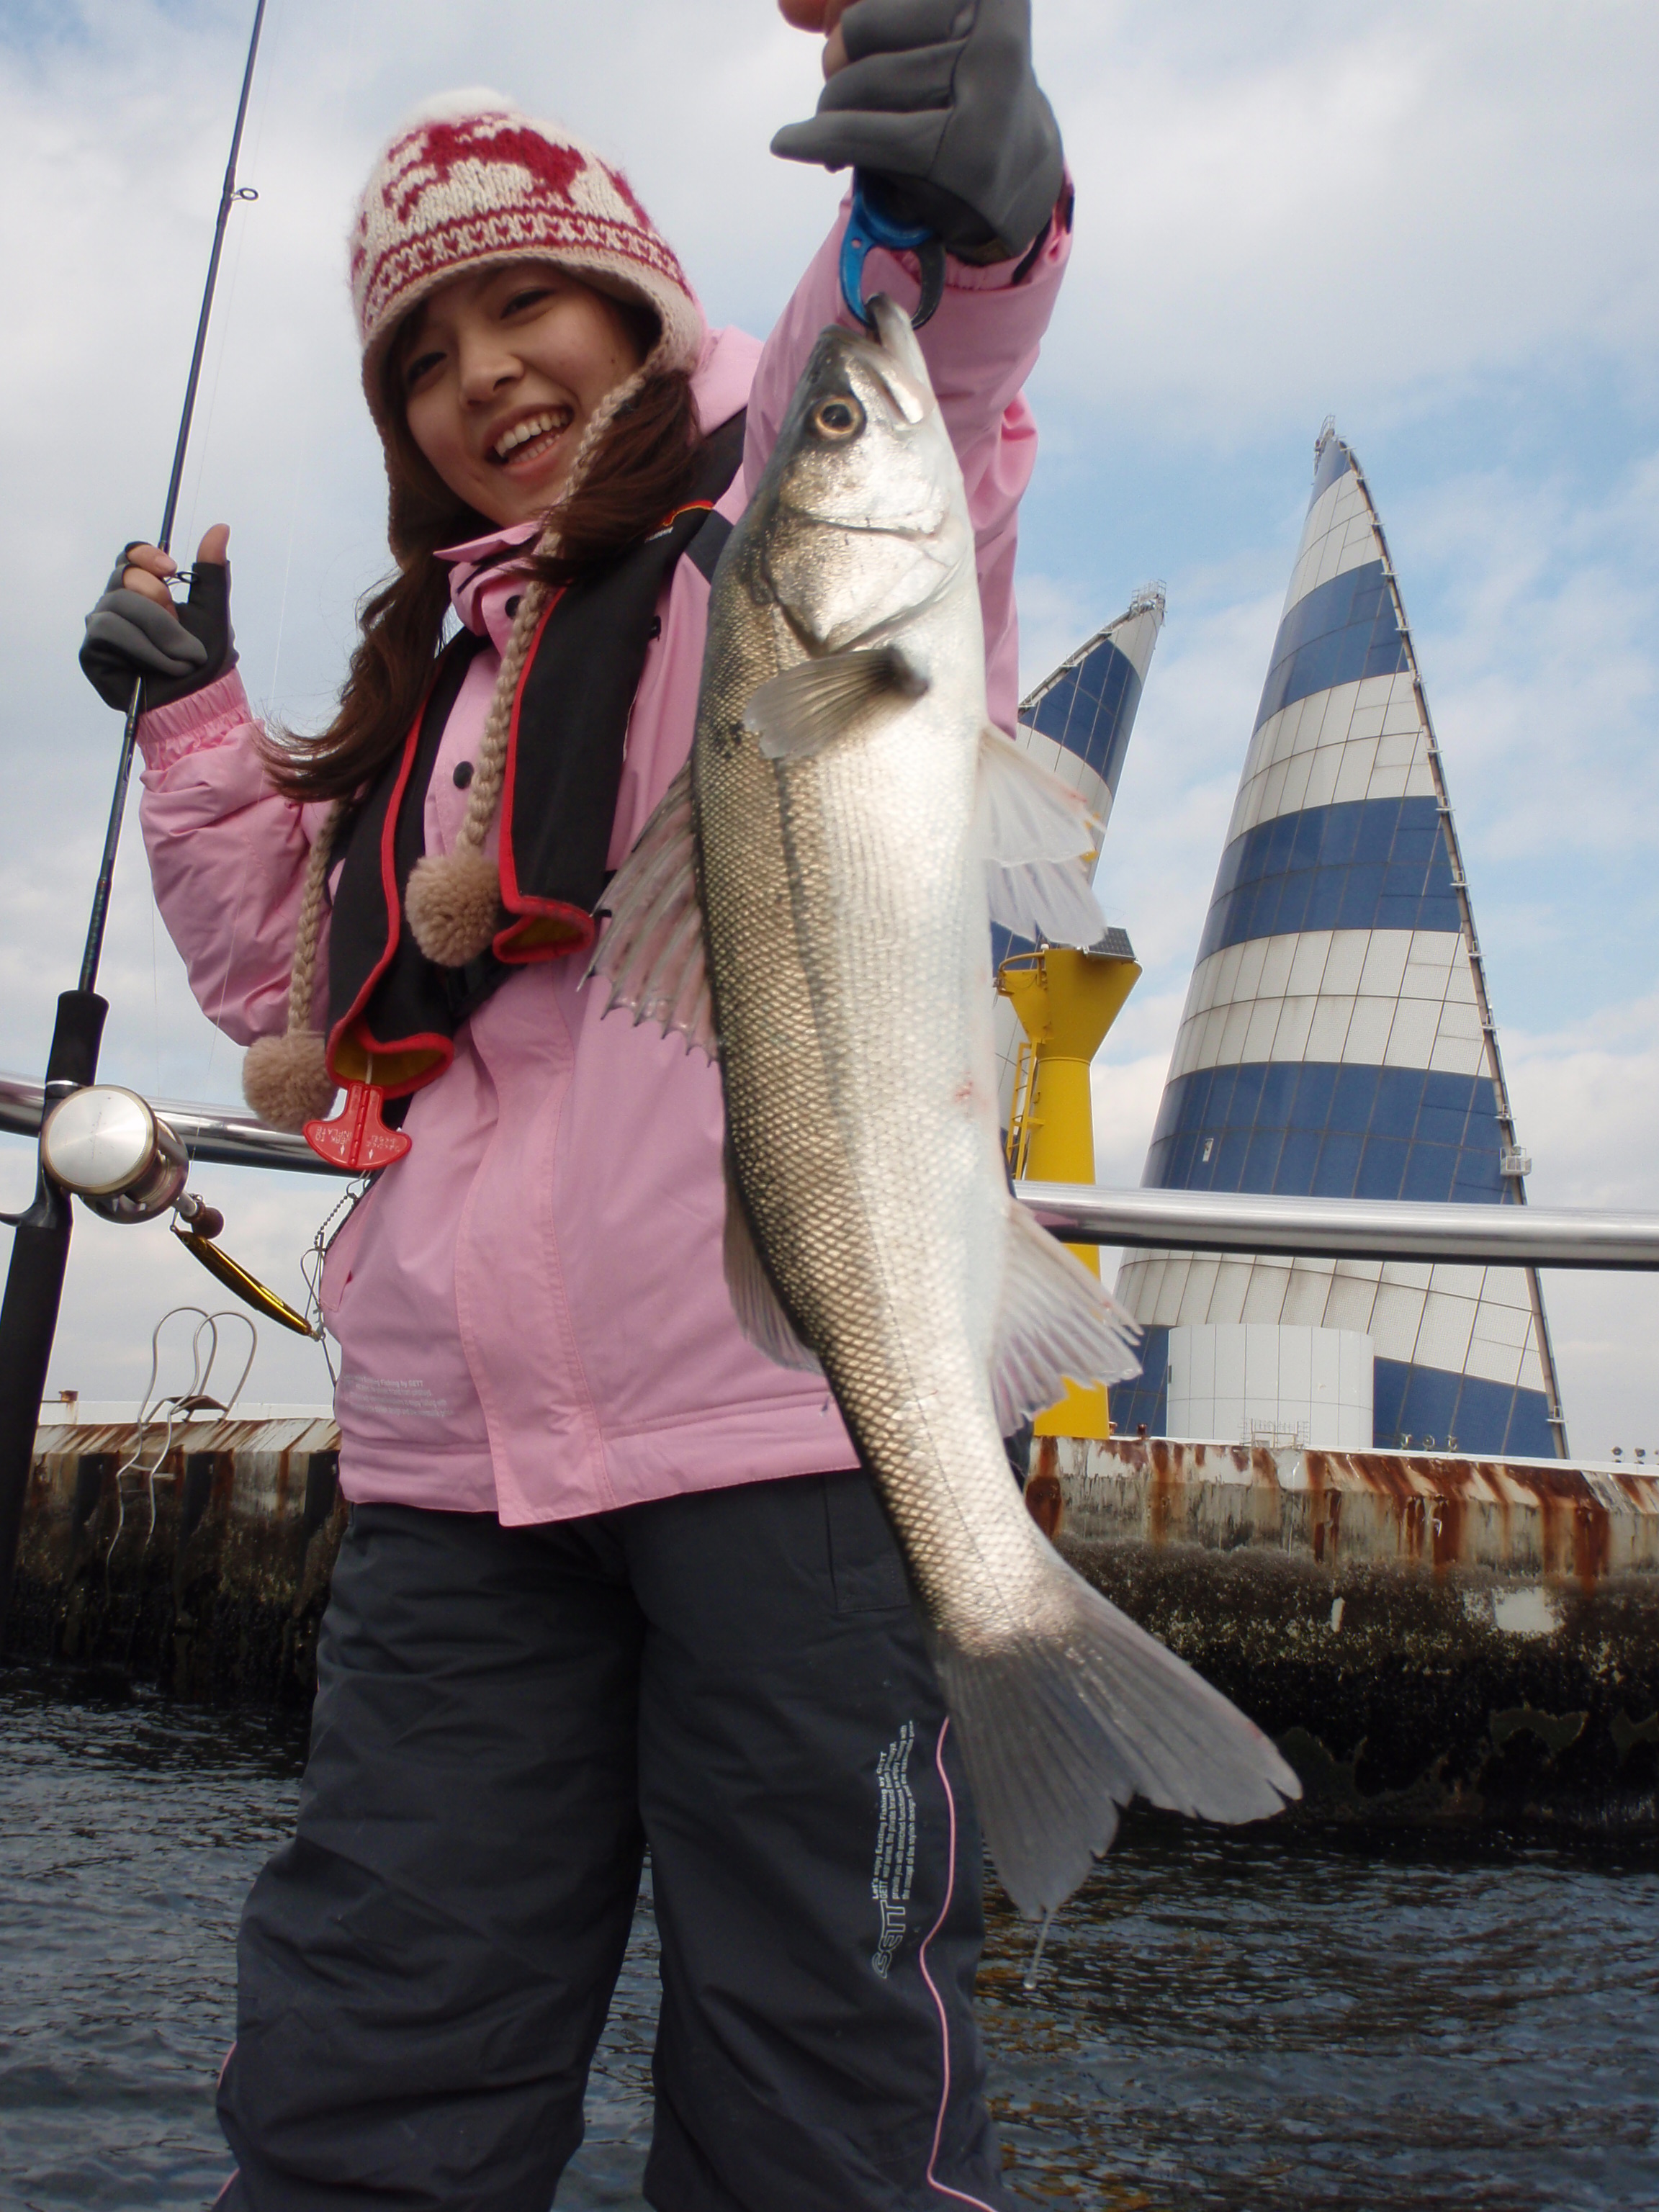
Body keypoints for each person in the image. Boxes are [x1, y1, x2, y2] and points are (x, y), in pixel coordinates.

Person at [80, 4, 1071, 2203]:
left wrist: (957, 201)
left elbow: (921, 360)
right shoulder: (430, 679)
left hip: (785, 1428)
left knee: (820, 2070)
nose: (483, 374)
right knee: (372, 2040)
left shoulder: (765, 534)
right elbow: (281, 987)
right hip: (456, 1473)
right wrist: (198, 732)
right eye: (422, 359)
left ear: (639, 301)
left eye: (525, 298)